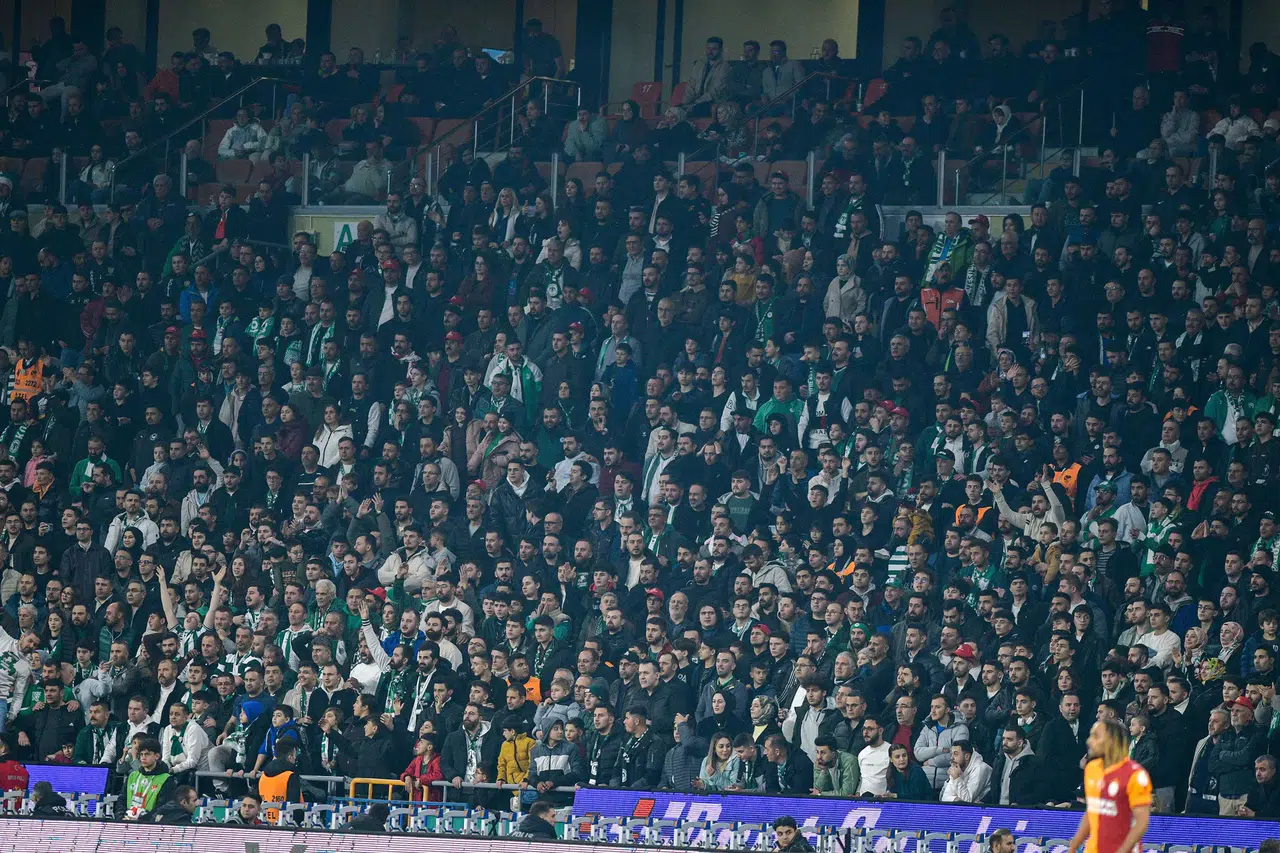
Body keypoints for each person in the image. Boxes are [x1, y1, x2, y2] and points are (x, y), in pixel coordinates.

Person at [1068, 720, 1152, 853]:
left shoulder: (1135, 775)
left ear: (1112, 740)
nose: (1089, 741)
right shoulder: (1092, 768)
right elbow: (1092, 811)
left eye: (1096, 736)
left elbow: (1141, 823)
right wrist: (1074, 846)